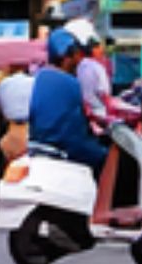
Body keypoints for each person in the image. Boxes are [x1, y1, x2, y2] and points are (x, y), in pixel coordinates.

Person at [29, 30, 107, 174]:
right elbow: (76, 130)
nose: (80, 59)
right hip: (64, 146)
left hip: (40, 145)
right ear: (67, 57)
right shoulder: (70, 83)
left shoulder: (40, 77)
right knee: (104, 157)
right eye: (77, 54)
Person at [0, 63, 37, 168]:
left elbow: (0, 107)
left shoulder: (4, 83)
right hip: (29, 130)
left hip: (11, 130)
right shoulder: (34, 82)